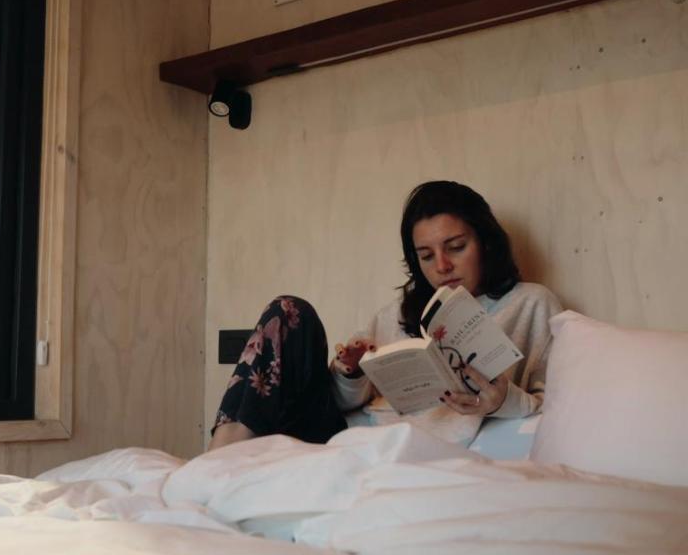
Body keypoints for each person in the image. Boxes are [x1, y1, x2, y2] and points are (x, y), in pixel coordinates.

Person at [209, 181, 562, 451]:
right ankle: (220, 456)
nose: (442, 266)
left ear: (485, 242)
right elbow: (343, 401)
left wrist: (501, 401)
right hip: (343, 433)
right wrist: (351, 372)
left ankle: (223, 465)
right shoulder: (396, 313)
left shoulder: (531, 304)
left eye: (456, 247)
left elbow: (553, 406)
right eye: (425, 256)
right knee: (288, 310)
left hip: (405, 447)